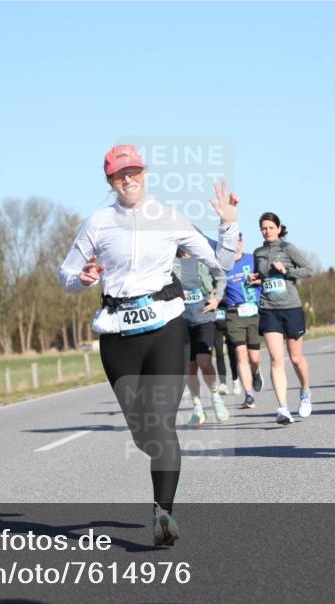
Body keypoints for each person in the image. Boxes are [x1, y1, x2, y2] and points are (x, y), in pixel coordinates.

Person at [59, 144, 239, 546]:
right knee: (143, 434)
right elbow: (66, 272)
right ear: (110, 181)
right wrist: (81, 278)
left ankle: (163, 514)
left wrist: (227, 224)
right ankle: (160, 492)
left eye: (134, 171)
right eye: (120, 175)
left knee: (161, 424)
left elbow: (220, 262)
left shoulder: (170, 219)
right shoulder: (98, 222)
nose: (129, 180)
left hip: (165, 326)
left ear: (145, 173)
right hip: (116, 333)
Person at [251, 212, 313, 425]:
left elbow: (308, 269)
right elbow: (260, 276)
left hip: (291, 307)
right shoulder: (258, 252)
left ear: (278, 228)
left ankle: (305, 392)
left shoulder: (288, 249)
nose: (267, 231)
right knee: (276, 359)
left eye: (270, 227)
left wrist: (286, 270)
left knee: (295, 359)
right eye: (263, 228)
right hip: (269, 309)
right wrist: (255, 279)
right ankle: (283, 408)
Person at [174, 249, 229, 426]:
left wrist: (217, 299)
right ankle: (198, 408)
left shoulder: (203, 259)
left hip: (204, 318)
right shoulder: (168, 261)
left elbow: (221, 278)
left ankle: (215, 398)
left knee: (204, 361)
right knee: (189, 368)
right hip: (182, 321)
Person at [223, 233, 264, 409]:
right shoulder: (223, 266)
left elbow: (265, 279)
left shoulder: (253, 259)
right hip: (234, 312)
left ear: (241, 242)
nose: (235, 246)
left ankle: (256, 372)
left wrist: (258, 281)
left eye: (237, 242)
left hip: (254, 311)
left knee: (254, 358)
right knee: (240, 354)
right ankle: (249, 395)